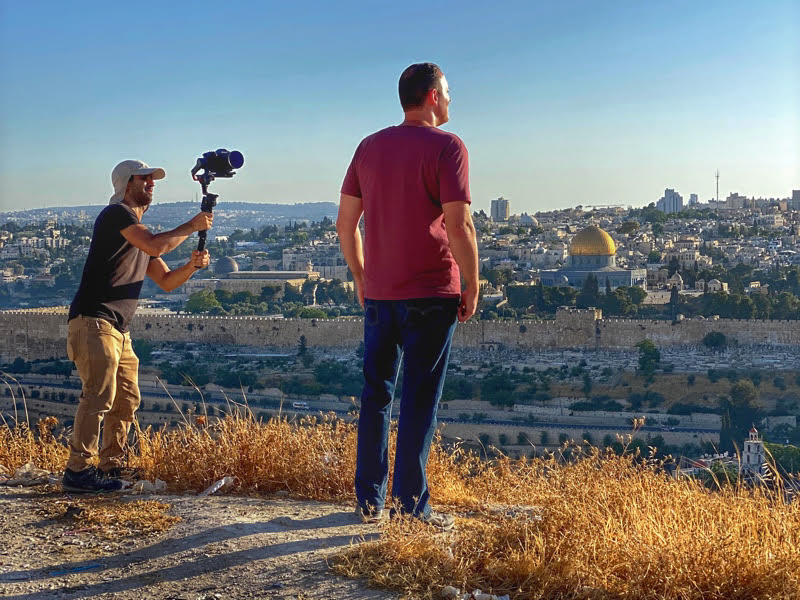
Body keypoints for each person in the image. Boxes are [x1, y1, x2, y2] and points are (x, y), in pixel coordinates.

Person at [337, 63, 479, 530]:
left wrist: (361, 275)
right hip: (432, 291)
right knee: (419, 397)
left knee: (376, 393)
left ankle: (367, 501)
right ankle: (410, 507)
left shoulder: (368, 146)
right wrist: (472, 282)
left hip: (378, 294)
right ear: (433, 96)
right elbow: (459, 225)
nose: (451, 100)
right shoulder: (448, 147)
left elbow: (345, 224)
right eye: (449, 92)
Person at [63, 159, 213, 493]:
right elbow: (157, 245)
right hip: (94, 321)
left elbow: (168, 281)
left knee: (127, 398)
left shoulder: (138, 236)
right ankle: (78, 472)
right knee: (99, 396)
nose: (151, 183)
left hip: (117, 328)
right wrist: (192, 225)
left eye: (152, 179)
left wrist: (191, 266)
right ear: (126, 183)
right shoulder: (116, 214)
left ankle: (110, 466)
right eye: (144, 178)